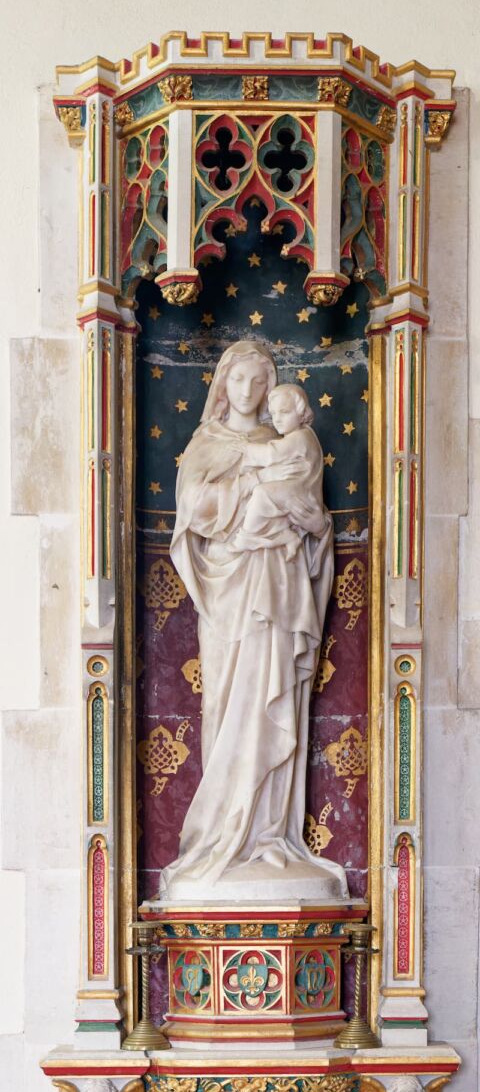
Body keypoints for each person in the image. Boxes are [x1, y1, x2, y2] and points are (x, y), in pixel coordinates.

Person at [158, 339, 348, 902]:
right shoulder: (208, 443)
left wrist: (300, 520)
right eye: (240, 380)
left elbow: (312, 515)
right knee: (227, 701)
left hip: (280, 584)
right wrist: (251, 486)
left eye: (259, 383)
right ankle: (222, 834)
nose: (249, 391)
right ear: (223, 384)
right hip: (229, 593)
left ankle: (269, 833)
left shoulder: (288, 443)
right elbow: (194, 508)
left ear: (271, 391)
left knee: (277, 698)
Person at [231, 382, 330, 562]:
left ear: (302, 414)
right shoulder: (300, 436)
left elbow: (271, 453)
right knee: (264, 497)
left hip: (300, 495)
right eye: (274, 413)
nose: (277, 419)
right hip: (296, 492)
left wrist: (247, 448)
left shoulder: (301, 437)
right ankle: (287, 538)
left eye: (284, 412)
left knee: (262, 493)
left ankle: (246, 538)